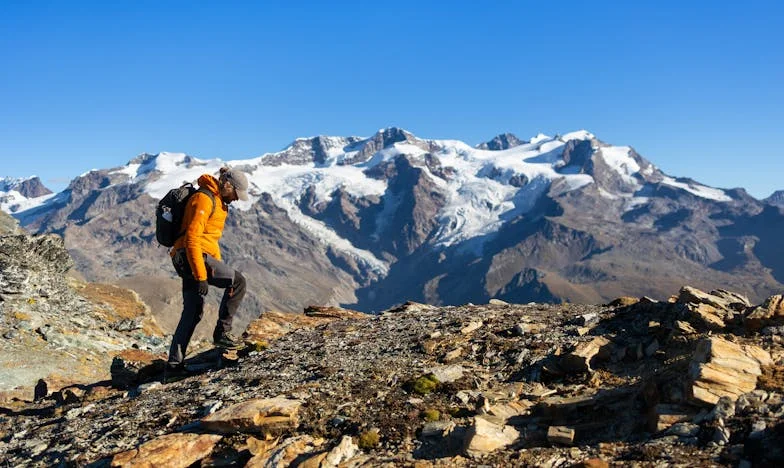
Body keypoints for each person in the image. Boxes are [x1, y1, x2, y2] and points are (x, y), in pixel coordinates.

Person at [165, 166, 250, 378]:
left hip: (189, 257)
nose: (237, 199)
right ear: (227, 185)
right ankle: (222, 333)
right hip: (192, 257)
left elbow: (209, 240)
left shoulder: (219, 200)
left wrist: (216, 264)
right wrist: (202, 276)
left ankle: (173, 368)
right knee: (238, 282)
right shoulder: (203, 199)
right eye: (236, 194)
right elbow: (193, 239)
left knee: (193, 312)